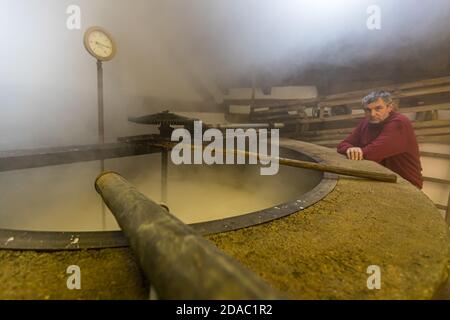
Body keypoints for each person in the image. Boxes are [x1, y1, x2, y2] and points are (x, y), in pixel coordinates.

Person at [336, 90, 423, 189]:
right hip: (382, 181)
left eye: (378, 108)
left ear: (390, 107)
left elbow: (371, 154)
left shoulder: (399, 123)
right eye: (368, 110)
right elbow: (342, 145)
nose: (372, 114)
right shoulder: (367, 122)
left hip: (406, 185)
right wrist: (350, 149)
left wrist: (357, 151)